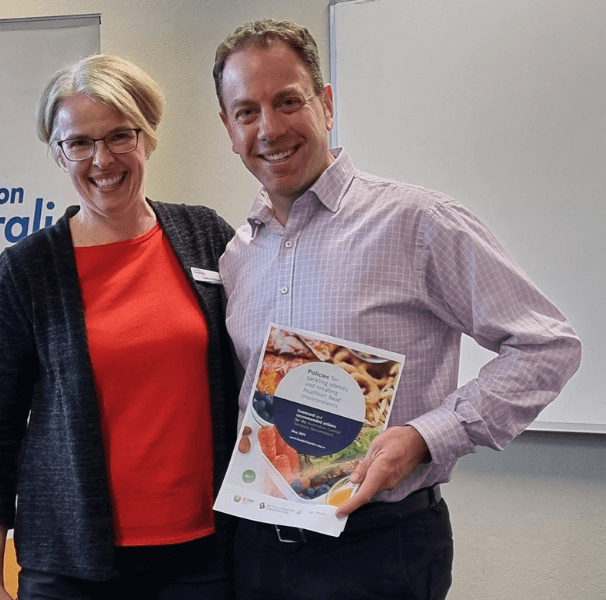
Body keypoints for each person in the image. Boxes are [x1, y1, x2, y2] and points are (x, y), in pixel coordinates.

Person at [213, 19, 582, 600]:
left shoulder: (417, 222)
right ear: (229, 129)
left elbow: (547, 346)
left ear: (326, 104)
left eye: (288, 101)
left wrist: (426, 436)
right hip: (256, 551)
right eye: (247, 112)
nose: (270, 128)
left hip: (379, 550)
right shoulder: (238, 255)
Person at [0, 54, 239, 600]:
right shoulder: (27, 270)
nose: (102, 159)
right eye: (80, 143)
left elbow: (266, 357)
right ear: (58, 151)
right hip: (71, 564)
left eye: (120, 135)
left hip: (204, 555)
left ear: (148, 136)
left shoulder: (206, 234)